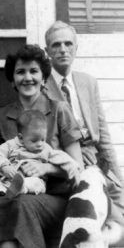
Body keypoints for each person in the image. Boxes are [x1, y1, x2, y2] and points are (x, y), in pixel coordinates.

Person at [0, 44, 84, 248]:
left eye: (34, 71)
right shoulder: (2, 115)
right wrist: (4, 172)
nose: (27, 77)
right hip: (13, 190)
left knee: (21, 205)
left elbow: (78, 166)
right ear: (13, 80)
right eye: (20, 72)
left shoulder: (59, 110)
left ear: (44, 77)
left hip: (55, 196)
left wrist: (46, 168)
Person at [44, 20, 124, 244]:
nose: (62, 49)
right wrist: (77, 151)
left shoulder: (88, 82)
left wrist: (118, 178)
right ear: (47, 51)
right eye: (56, 45)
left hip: (98, 164)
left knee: (120, 215)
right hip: (68, 169)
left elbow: (104, 138)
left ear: (76, 48)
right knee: (104, 224)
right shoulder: (41, 87)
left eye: (68, 44)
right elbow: (45, 139)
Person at [0, 110, 81, 211]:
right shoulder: (10, 145)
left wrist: (72, 167)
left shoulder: (46, 149)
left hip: (34, 181)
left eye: (43, 139)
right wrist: (4, 167)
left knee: (34, 183)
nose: (40, 144)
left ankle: (19, 187)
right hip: (9, 179)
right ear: (21, 137)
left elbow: (63, 159)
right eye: (34, 141)